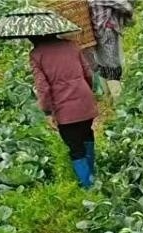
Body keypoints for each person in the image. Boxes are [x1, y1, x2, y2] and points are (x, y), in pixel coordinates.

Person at [30, 33, 100, 188]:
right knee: (87, 133)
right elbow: (88, 73)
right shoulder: (71, 45)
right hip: (84, 98)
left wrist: (47, 111)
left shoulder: (37, 54)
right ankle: (93, 173)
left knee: (75, 146)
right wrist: (87, 91)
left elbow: (43, 87)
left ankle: (88, 185)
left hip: (63, 106)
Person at [88, 0, 133, 100]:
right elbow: (125, 6)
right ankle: (118, 99)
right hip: (107, 32)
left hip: (96, 33)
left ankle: (108, 98)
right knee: (113, 66)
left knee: (103, 64)